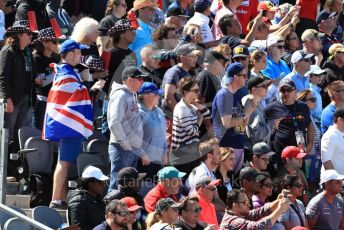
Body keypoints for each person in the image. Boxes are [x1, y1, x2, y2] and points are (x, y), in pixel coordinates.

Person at [43, 40, 93, 209]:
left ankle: (60, 198)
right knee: (64, 162)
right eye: (79, 53)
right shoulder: (67, 73)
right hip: (69, 126)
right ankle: (56, 199)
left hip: (68, 125)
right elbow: (78, 96)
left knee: (64, 162)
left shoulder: (67, 71)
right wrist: (87, 83)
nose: (81, 56)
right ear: (70, 54)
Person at [107, 66, 147, 192]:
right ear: (130, 79)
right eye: (139, 79)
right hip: (122, 148)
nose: (142, 81)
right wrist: (125, 144)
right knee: (117, 188)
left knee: (128, 188)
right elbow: (114, 122)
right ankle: (110, 211)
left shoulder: (131, 94)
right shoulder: (120, 95)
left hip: (130, 148)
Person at [212, 63, 256, 174]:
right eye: (244, 76)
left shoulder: (234, 95)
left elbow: (241, 125)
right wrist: (245, 113)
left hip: (237, 146)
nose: (246, 78)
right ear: (236, 77)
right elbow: (226, 123)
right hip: (225, 148)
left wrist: (249, 111)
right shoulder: (224, 94)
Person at [265, 79, 314, 171]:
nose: (286, 93)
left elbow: (310, 125)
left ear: (295, 92)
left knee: (299, 180)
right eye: (283, 90)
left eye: (289, 90)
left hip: (299, 152)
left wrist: (310, 144)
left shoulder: (303, 106)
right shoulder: (270, 108)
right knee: (282, 180)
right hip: (281, 153)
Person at [0, 20, 35, 142]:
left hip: (26, 98)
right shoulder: (7, 51)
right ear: (19, 35)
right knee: (8, 134)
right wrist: (7, 99)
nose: (31, 36)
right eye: (28, 33)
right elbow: (2, 77)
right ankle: (5, 160)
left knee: (21, 134)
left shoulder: (27, 53)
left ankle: (17, 160)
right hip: (13, 99)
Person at [170, 78, 211, 174]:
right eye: (195, 91)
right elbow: (191, 131)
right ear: (186, 92)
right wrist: (200, 119)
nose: (198, 93)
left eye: (198, 90)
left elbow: (209, 115)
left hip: (191, 152)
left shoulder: (191, 106)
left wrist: (196, 103)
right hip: (181, 155)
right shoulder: (182, 108)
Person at [137, 82, 167, 183]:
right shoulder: (137, 113)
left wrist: (165, 151)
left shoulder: (158, 111)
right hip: (145, 161)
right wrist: (142, 154)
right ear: (145, 96)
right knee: (145, 188)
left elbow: (163, 133)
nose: (159, 96)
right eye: (155, 94)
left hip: (158, 158)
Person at [32, 27, 60, 131]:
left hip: (54, 99)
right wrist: (56, 71)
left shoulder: (56, 58)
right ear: (44, 43)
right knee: (40, 128)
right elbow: (42, 83)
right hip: (42, 99)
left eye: (57, 41)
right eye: (54, 41)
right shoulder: (37, 58)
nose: (56, 44)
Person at [220, 188, 289, 229]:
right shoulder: (232, 221)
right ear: (235, 205)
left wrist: (278, 201)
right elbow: (258, 227)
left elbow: (260, 211)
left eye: (248, 202)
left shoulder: (240, 213)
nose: (249, 205)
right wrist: (280, 209)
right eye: (245, 203)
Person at [244, 76, 282, 145]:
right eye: (264, 86)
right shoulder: (250, 103)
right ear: (254, 89)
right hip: (254, 150)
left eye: (267, 86)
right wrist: (273, 123)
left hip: (261, 147)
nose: (267, 88)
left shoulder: (257, 103)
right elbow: (255, 134)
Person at [296, 90, 322, 189]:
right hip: (307, 161)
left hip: (314, 160)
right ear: (303, 102)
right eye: (312, 99)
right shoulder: (301, 118)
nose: (315, 101)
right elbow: (300, 141)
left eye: (315, 99)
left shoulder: (309, 116)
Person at [129, 0, 159, 65]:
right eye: (151, 9)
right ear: (141, 11)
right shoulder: (132, 29)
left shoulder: (152, 30)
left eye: (154, 10)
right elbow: (127, 53)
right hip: (137, 73)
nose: (154, 12)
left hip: (150, 72)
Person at [321, 108, 344, 175]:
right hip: (337, 183)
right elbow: (327, 162)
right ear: (340, 120)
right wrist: (335, 182)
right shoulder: (330, 136)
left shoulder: (340, 134)